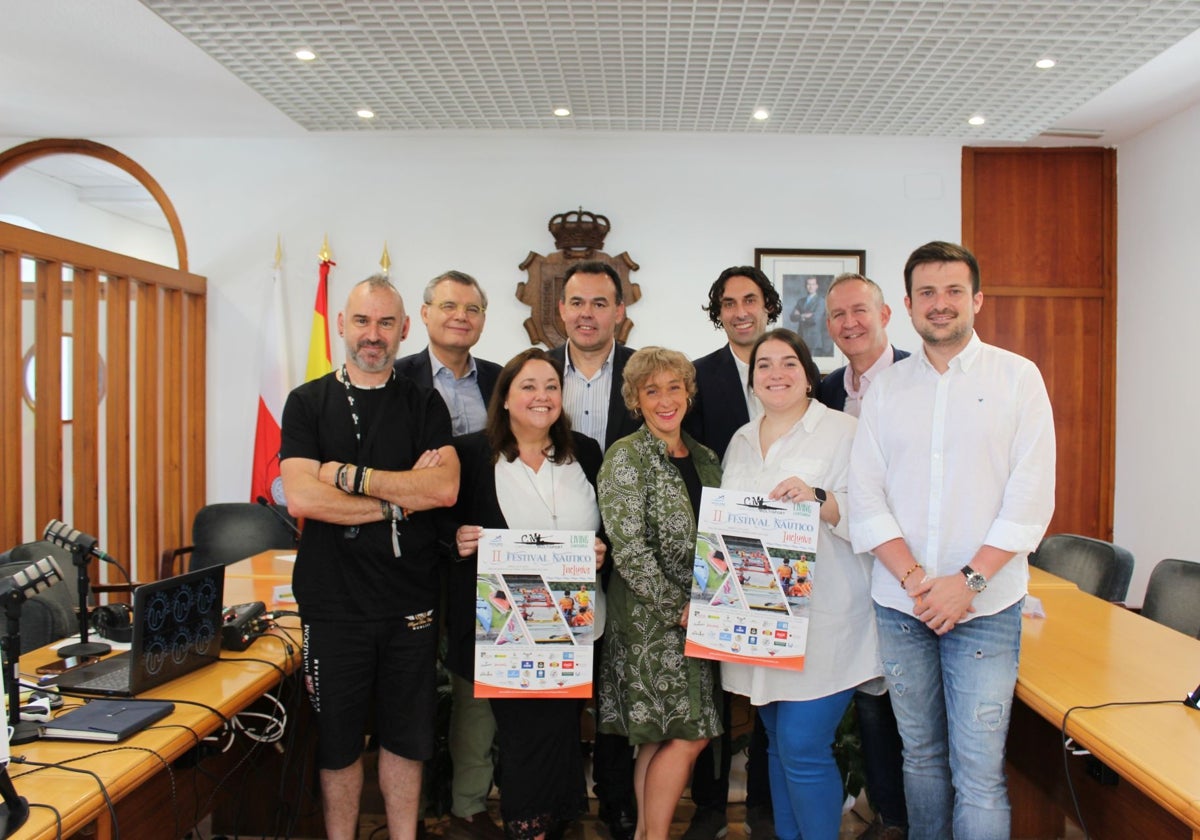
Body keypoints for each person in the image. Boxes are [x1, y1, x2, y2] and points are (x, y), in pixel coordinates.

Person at [849, 241, 1056, 840]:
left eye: (954, 291)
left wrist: (966, 584)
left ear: (977, 300)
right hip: (903, 604)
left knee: (981, 771)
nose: (941, 305)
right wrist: (919, 582)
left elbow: (1030, 496)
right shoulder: (885, 391)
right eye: (928, 294)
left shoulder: (1019, 378)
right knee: (920, 759)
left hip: (986, 606)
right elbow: (866, 496)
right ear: (908, 306)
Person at [280, 274, 461, 840]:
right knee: (336, 744)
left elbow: (442, 490)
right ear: (341, 325)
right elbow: (305, 497)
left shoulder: (423, 401)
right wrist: (395, 502)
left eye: (386, 323)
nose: (374, 335)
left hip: (409, 598)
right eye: (362, 321)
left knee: (406, 738)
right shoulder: (307, 402)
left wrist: (352, 480)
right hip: (333, 603)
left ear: (405, 329)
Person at [720, 329, 878, 840]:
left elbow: (874, 515)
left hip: (827, 622)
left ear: (809, 376)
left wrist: (820, 497)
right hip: (757, 620)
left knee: (804, 746)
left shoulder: (846, 432)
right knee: (778, 747)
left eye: (789, 363)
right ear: (752, 380)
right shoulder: (741, 440)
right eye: (763, 365)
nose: (776, 374)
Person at [450, 347, 608, 840]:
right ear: (505, 398)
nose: (541, 397)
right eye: (528, 386)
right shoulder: (471, 455)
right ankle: (527, 828)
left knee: (561, 733)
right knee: (524, 739)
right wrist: (455, 540)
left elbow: (607, 527)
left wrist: (603, 550)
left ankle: (557, 823)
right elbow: (436, 529)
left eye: (551, 387)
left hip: (578, 626)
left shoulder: (585, 451)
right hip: (506, 633)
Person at [598, 347, 724, 840]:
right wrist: (679, 609)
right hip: (652, 624)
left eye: (675, 387)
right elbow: (629, 551)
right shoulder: (626, 457)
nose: (665, 399)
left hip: (704, 617)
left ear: (689, 394)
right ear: (636, 400)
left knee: (658, 739)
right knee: (690, 734)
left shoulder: (707, 458)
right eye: (652, 390)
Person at [395, 269, 504, 840]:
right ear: (426, 314)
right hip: (407, 550)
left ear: (484, 319)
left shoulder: (503, 380)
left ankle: (466, 800)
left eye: (473, 308)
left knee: (473, 677)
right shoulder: (396, 376)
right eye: (449, 305)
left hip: (481, 553)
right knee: (412, 681)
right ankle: (410, 802)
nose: (461, 316)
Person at [684, 265, 780, 840]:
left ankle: (766, 805)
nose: (740, 310)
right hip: (717, 554)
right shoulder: (696, 378)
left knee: (773, 688)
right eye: (728, 302)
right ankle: (711, 806)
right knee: (714, 691)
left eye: (750, 299)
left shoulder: (795, 366)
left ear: (768, 306)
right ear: (717, 312)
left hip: (784, 559)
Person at [548, 259, 640, 840]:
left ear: (620, 313)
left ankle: (615, 799)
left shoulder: (643, 373)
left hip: (627, 553)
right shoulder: (534, 375)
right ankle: (557, 798)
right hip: (550, 554)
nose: (587, 313)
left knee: (614, 678)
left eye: (600, 303)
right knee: (557, 679)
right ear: (561, 310)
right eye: (577, 302)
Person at [816, 272, 910, 840]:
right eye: (838, 315)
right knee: (865, 699)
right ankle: (879, 805)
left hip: (903, 564)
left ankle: (897, 818)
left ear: (885, 315)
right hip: (844, 564)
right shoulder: (827, 388)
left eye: (860, 311)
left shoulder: (915, 379)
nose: (849, 323)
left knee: (891, 703)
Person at [790, 277, 829, 355]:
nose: (810, 286)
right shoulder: (801, 301)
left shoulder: (821, 301)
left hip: (813, 340)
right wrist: (804, 316)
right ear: (805, 286)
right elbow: (792, 317)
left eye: (813, 284)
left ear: (817, 286)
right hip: (800, 339)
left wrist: (800, 316)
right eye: (808, 284)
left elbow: (815, 319)